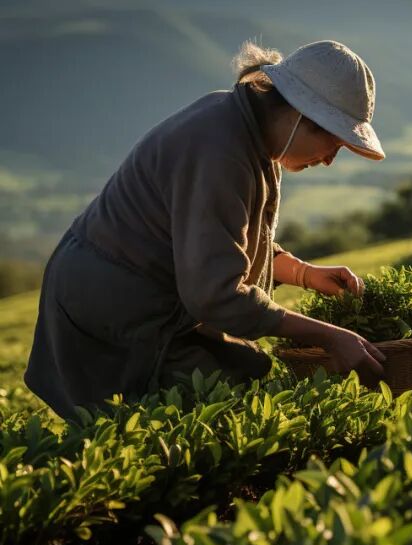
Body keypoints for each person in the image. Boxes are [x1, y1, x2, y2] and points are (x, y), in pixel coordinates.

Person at [25, 39, 389, 421]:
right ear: (298, 114)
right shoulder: (219, 149)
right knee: (211, 414)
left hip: (148, 297)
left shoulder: (245, 127)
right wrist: (329, 335)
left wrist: (303, 273)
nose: (330, 159)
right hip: (114, 305)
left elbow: (221, 239)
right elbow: (215, 296)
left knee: (237, 392)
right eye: (331, 140)